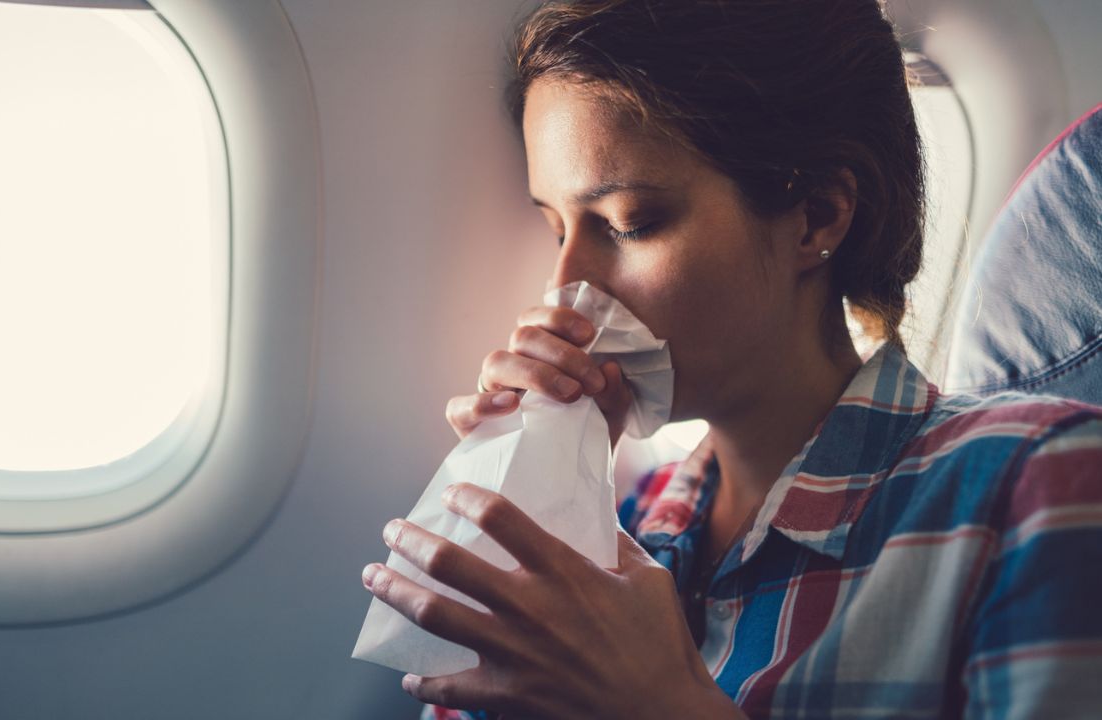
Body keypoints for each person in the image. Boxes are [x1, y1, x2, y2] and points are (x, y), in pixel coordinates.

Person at [358, 1, 1102, 717]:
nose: (563, 291)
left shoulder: (1039, 484)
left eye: (629, 223)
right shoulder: (621, 524)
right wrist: (536, 488)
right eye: (557, 231)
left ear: (816, 217)